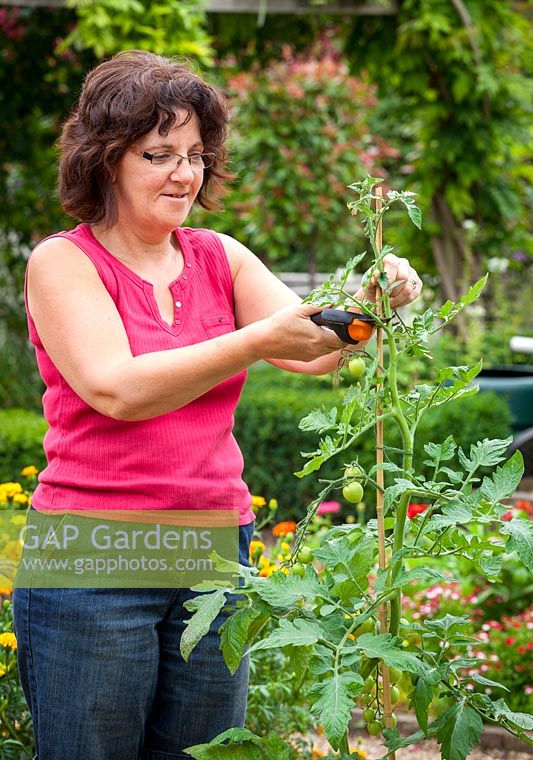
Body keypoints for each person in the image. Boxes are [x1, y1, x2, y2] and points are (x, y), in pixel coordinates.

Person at [13, 50, 422, 760]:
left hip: (212, 552)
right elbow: (116, 388)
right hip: (93, 560)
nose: (184, 173)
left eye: (197, 155)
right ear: (106, 158)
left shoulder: (219, 256)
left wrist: (370, 308)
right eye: (159, 153)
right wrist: (252, 341)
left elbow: (316, 347)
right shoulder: (63, 262)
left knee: (206, 753)